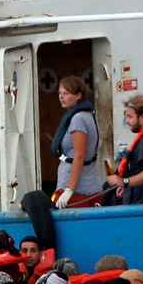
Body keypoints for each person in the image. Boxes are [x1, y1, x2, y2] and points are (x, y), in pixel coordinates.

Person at [51, 74, 102, 208]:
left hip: (79, 188)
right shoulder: (89, 115)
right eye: (60, 93)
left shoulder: (78, 119)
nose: (61, 96)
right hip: (91, 184)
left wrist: (69, 190)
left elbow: (79, 156)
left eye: (66, 93)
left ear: (78, 95)